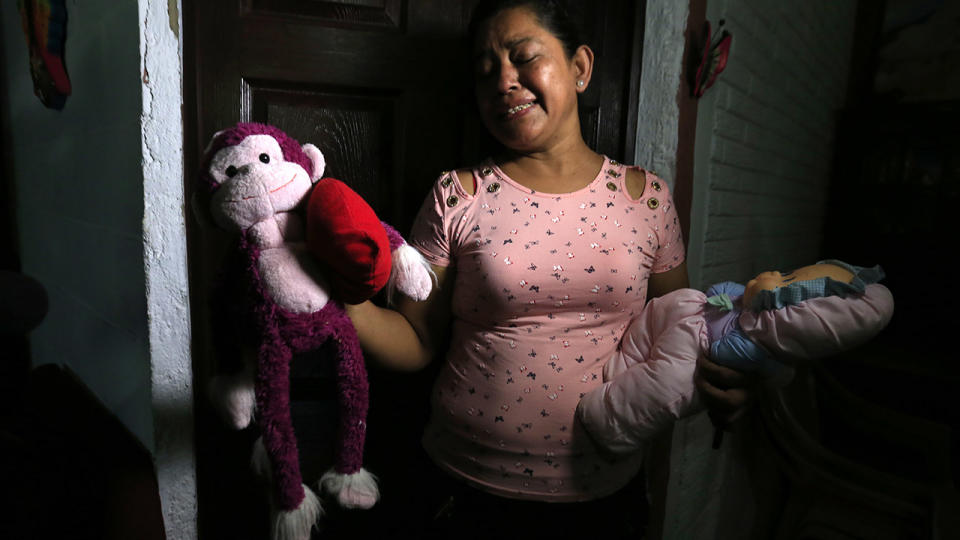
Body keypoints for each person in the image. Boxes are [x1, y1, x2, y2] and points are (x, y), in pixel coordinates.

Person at [342, 1, 754, 537]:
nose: (504, 81)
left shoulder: (646, 198)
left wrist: (723, 382)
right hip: (463, 487)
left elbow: (677, 333)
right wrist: (332, 298)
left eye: (524, 57)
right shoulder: (457, 195)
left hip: (604, 493)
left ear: (580, 68)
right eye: (486, 70)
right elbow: (415, 339)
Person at [576, 260, 893, 455]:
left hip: (690, 351)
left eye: (784, 280)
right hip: (679, 322)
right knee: (667, 316)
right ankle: (621, 366)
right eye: (788, 272)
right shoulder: (744, 301)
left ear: (786, 314)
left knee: (669, 385)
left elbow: (721, 352)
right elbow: (719, 292)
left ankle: (608, 420)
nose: (773, 272)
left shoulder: (758, 340)